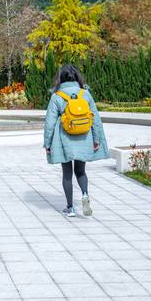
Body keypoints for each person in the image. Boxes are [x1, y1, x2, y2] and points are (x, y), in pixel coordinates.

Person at [43, 63, 109, 217]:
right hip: (84, 137)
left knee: (67, 174)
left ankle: (70, 207)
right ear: (77, 77)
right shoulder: (85, 94)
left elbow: (50, 122)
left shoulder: (57, 96)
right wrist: (97, 139)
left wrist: (47, 143)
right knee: (80, 171)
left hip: (64, 139)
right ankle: (85, 194)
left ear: (61, 78)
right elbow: (96, 119)